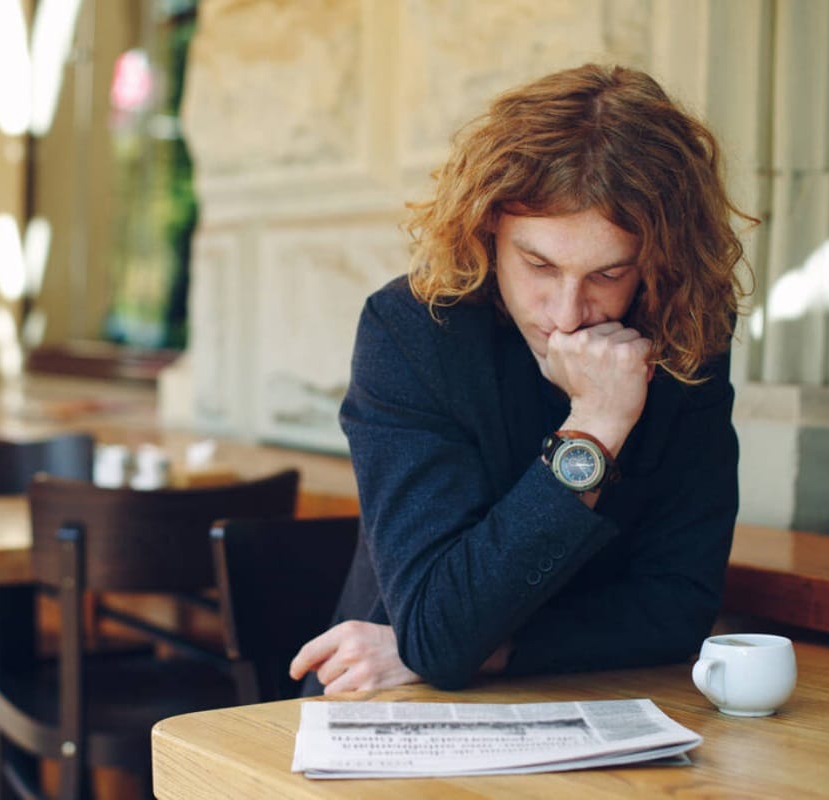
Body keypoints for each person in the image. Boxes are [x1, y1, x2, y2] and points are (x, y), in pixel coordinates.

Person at [290, 63, 752, 695]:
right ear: (488, 229)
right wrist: (595, 426)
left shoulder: (684, 338)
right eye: (539, 264)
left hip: (597, 707)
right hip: (394, 709)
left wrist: (485, 649)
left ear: (657, 266)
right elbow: (438, 633)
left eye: (609, 274)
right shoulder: (414, 332)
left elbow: (677, 611)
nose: (567, 314)